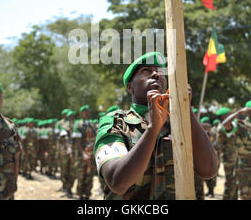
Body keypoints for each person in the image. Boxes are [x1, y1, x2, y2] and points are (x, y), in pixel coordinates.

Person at [94, 52, 218, 199]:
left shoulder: (178, 124)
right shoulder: (115, 122)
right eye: (145, 71)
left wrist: (186, 110)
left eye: (160, 71)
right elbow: (117, 182)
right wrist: (153, 129)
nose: (155, 75)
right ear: (129, 87)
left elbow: (209, 170)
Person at [73, 105, 97, 200]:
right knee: (81, 175)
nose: (87, 113)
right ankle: (80, 194)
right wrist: (83, 153)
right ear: (82, 113)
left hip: (91, 154)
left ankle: (87, 194)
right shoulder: (78, 125)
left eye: (88, 111)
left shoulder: (92, 125)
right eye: (85, 112)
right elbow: (78, 142)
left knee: (90, 175)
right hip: (81, 155)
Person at [216, 107, 238, 200]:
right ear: (224, 117)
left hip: (235, 158)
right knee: (230, 182)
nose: (230, 116)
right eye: (228, 115)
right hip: (228, 159)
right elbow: (219, 146)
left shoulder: (232, 125)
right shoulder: (222, 128)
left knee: (235, 181)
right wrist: (218, 160)